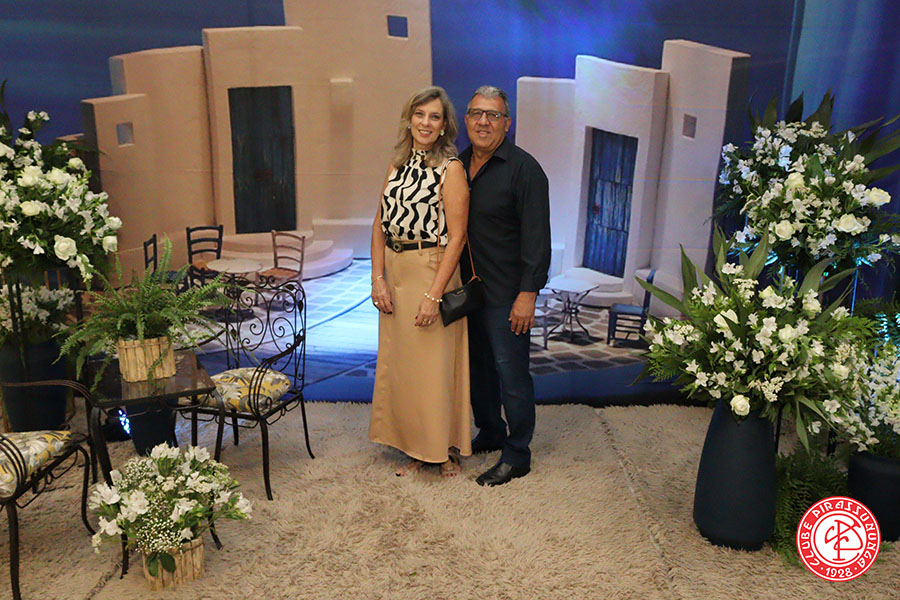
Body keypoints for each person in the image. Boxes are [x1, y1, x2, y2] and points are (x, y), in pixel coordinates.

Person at [368, 86, 472, 477]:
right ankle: (414, 446)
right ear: (409, 119)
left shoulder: (451, 169)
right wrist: (378, 278)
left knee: (433, 369)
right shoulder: (397, 165)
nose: (426, 123)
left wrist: (434, 295)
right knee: (404, 368)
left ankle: (441, 451)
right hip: (395, 272)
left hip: (432, 270)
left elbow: (457, 238)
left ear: (444, 126)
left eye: (434, 117)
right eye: (420, 114)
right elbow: (378, 225)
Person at [460, 85, 550, 486]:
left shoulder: (525, 169)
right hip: (469, 295)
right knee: (478, 372)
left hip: (508, 296)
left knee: (512, 376)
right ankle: (491, 431)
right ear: (466, 119)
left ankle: (517, 454)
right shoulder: (457, 165)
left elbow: (537, 239)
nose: (484, 122)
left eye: (493, 115)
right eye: (477, 113)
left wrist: (528, 294)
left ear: (507, 123)